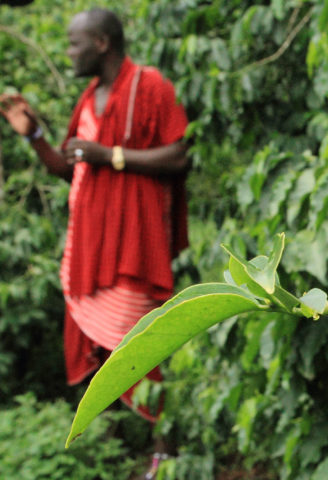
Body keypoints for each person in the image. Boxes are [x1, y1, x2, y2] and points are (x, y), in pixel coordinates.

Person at [0, 8, 188, 430]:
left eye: (74, 43)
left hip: (134, 244)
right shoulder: (88, 98)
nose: (68, 53)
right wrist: (33, 135)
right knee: (103, 344)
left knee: (139, 340)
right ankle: (116, 442)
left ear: (101, 43)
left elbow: (179, 155)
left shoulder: (149, 84)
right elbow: (70, 168)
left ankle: (165, 448)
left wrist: (111, 156)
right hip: (91, 245)